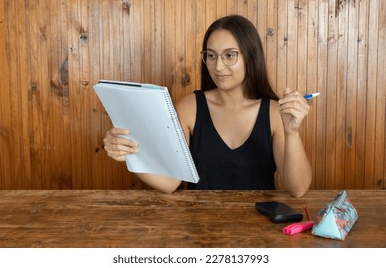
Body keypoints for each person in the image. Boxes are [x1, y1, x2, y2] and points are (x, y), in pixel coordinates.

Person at [103, 15, 312, 197]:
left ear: (251, 57)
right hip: (199, 230)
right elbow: (171, 182)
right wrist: (128, 155)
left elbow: (298, 189)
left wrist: (292, 132)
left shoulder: (275, 112)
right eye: (211, 56)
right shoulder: (189, 108)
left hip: (260, 230)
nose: (218, 66)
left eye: (229, 55)